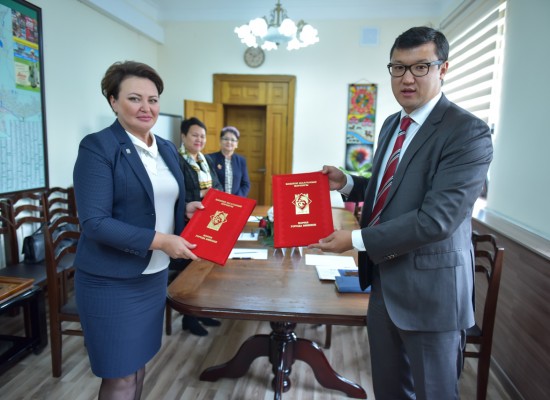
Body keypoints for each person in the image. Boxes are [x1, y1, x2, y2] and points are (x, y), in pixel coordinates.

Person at [309, 27, 493, 400]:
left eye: (420, 66)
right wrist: (347, 183)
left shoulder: (467, 132)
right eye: (398, 67)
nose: (407, 78)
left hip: (432, 297)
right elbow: (387, 193)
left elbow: (436, 220)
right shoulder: (393, 124)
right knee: (389, 392)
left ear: (443, 69)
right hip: (384, 286)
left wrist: (354, 240)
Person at [73, 61, 201, 399]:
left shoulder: (166, 148)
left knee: (139, 365)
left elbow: (156, 202)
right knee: (121, 375)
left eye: (153, 99)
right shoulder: (98, 147)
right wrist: (161, 240)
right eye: (134, 98)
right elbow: (94, 222)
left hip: (152, 276)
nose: (146, 107)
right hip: (111, 280)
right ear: (113, 102)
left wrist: (185, 210)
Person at [170, 116, 223, 336]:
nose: (199, 139)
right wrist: (204, 193)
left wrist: (213, 193)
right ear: (183, 136)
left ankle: (202, 311)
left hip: (209, 223)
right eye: (194, 135)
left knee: (205, 270)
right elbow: (177, 192)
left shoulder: (205, 160)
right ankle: (189, 318)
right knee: (189, 271)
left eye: (202, 136)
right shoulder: (177, 161)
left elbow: (218, 186)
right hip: (187, 223)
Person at [207, 126, 251, 197]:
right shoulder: (210, 158)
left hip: (235, 200)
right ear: (220, 141)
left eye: (233, 140)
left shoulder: (241, 160)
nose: (229, 142)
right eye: (226, 139)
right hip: (216, 199)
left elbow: (246, 184)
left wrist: (237, 198)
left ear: (237, 144)